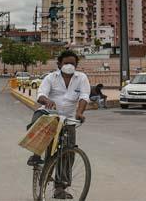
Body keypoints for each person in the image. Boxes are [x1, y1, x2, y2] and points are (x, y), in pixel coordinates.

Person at [27, 50, 89, 199]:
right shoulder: (51, 78)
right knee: (38, 124)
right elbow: (41, 94)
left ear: (76, 65)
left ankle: (60, 188)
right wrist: (47, 101)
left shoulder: (81, 78)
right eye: (66, 63)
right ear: (59, 64)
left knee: (68, 153)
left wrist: (79, 113)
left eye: (72, 64)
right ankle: (36, 154)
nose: (69, 66)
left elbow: (84, 96)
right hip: (49, 115)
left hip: (68, 119)